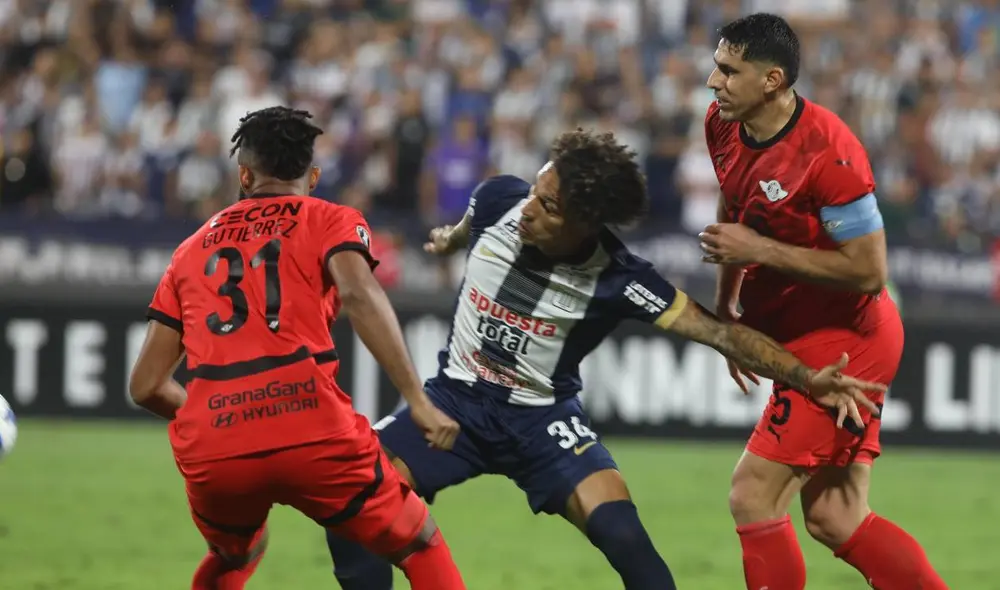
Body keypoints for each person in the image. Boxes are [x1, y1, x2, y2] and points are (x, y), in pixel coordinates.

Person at [324, 128, 886, 590]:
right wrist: (450, 239)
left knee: (624, 538)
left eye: (547, 207)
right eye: (535, 192)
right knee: (358, 500)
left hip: (542, 420)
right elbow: (472, 223)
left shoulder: (619, 278)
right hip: (455, 399)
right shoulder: (501, 199)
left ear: (583, 224)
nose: (528, 213)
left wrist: (807, 376)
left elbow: (722, 335)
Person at [127, 106, 466, 590]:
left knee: (236, 553)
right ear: (314, 175)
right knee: (419, 543)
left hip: (216, 445)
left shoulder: (190, 250)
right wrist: (417, 400)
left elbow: (145, 386)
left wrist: (215, 410)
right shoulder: (330, 219)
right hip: (311, 428)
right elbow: (358, 293)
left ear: (244, 174)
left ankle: (233, 554)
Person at [700, 13, 947, 590]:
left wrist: (758, 247)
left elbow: (868, 271)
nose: (714, 82)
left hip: (848, 339)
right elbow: (733, 205)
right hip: (796, 333)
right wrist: (726, 312)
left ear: (772, 80)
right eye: (716, 66)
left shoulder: (830, 155)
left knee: (752, 496)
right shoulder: (721, 122)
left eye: (729, 71)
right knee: (835, 517)